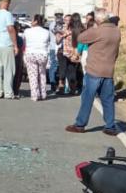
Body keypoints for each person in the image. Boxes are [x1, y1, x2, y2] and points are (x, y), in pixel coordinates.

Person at [65, 8, 121, 136]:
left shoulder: (98, 31)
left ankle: (80, 124)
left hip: (94, 70)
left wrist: (93, 27)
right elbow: (116, 51)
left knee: (87, 98)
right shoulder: (116, 31)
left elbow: (80, 38)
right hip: (108, 70)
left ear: (98, 19)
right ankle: (110, 126)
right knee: (107, 100)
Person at [0, 0, 18, 98]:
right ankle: (8, 92)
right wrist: (15, 45)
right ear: (7, 3)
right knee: (8, 69)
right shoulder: (7, 14)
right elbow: (10, 28)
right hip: (5, 44)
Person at [23, 14, 51, 101]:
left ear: (35, 21)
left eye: (32, 20)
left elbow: (25, 42)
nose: (31, 22)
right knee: (42, 74)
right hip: (42, 54)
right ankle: (43, 93)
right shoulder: (47, 32)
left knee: (33, 75)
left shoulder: (27, 31)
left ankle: (35, 95)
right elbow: (48, 42)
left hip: (31, 53)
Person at [60, 13, 83, 95]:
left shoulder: (69, 29)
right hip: (76, 52)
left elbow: (60, 35)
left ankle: (65, 88)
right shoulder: (81, 29)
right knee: (72, 71)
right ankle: (73, 89)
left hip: (68, 53)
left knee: (66, 71)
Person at [47, 11, 63, 90]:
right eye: (58, 15)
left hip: (61, 48)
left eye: (60, 15)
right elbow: (56, 31)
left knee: (60, 66)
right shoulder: (53, 24)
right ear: (55, 16)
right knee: (54, 65)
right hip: (54, 47)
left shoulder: (62, 24)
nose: (59, 16)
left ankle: (59, 83)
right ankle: (53, 83)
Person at [12, 20, 26, 98]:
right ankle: (15, 91)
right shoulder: (19, 38)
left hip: (15, 58)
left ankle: (13, 90)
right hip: (17, 58)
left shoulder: (19, 38)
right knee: (17, 75)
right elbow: (21, 50)